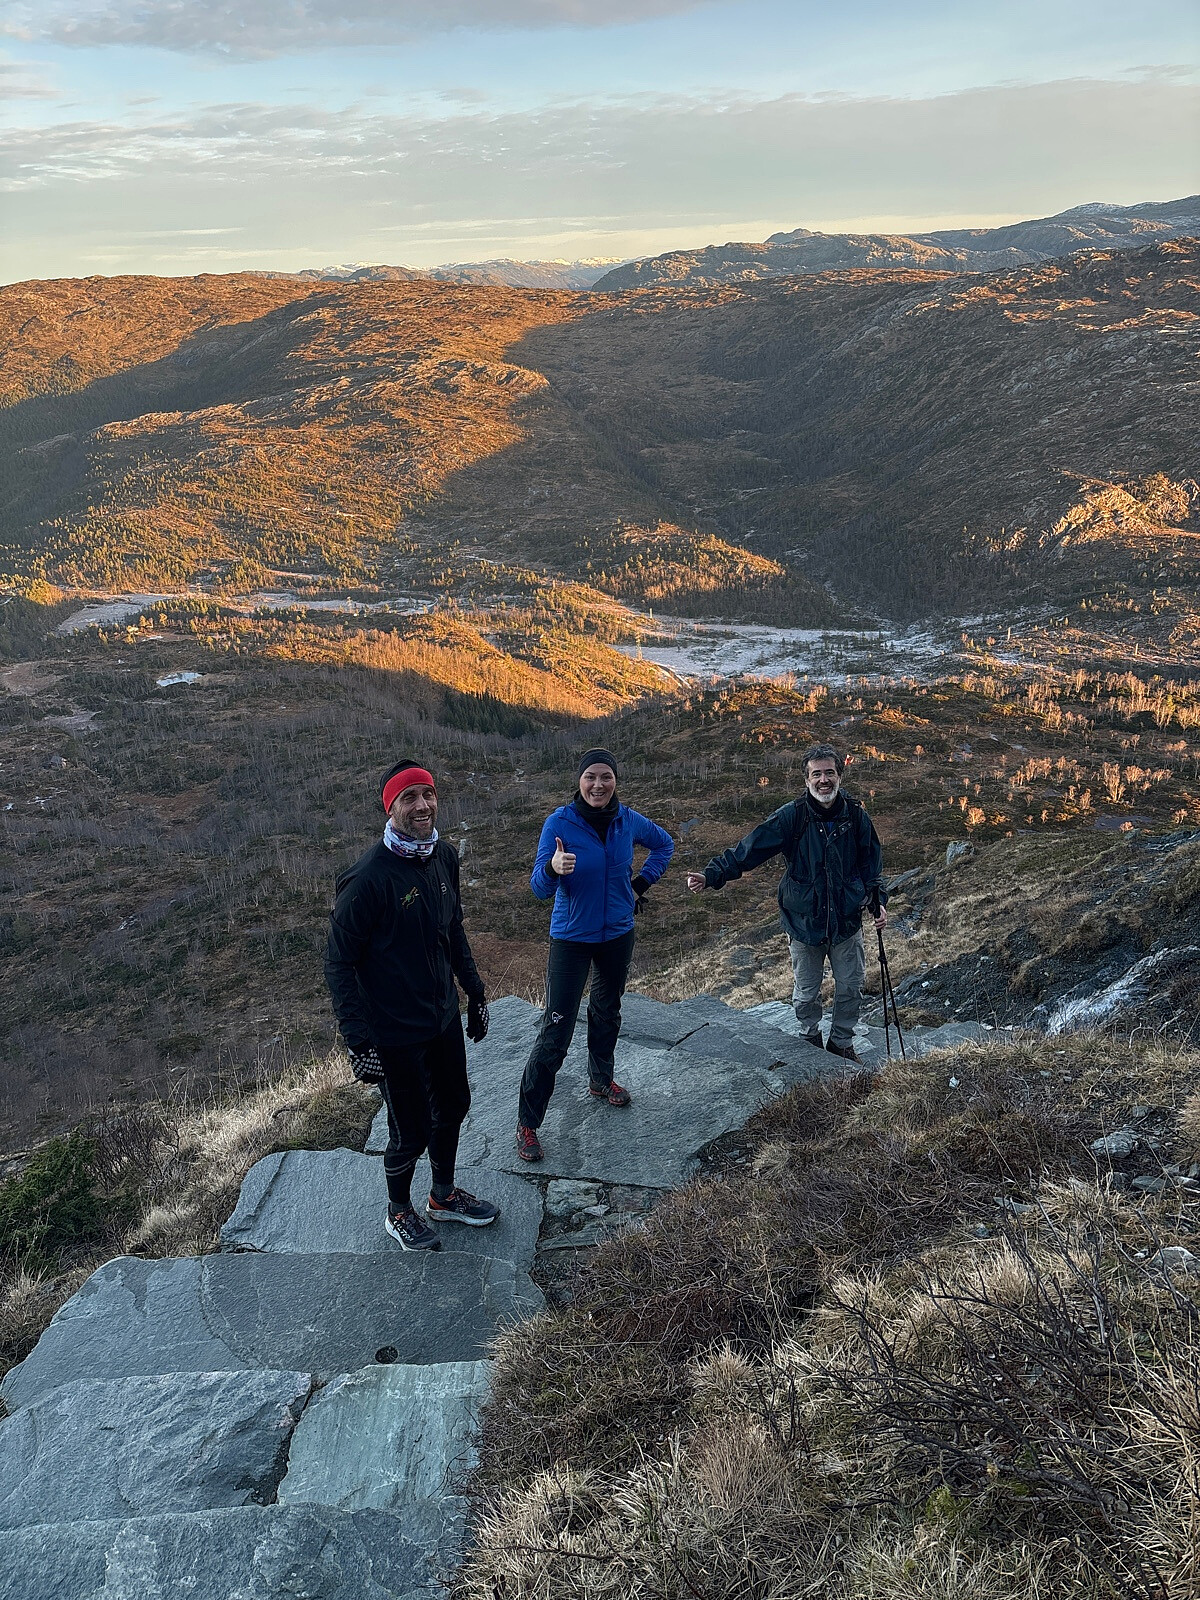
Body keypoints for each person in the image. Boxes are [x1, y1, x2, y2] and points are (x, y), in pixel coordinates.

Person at [325, 759, 497, 1250]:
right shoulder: (366, 879)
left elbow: (452, 928)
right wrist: (358, 1041)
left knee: (455, 1105)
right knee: (410, 1128)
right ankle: (398, 1211)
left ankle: (442, 1196)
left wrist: (474, 991)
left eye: (428, 794)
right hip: (393, 1030)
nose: (423, 805)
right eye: (409, 798)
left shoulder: (444, 857)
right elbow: (338, 964)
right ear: (391, 808)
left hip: (441, 1016)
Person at [515, 749, 675, 1162]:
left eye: (606, 777)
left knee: (607, 1010)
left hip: (618, 933)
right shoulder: (559, 823)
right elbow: (538, 889)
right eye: (591, 777)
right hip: (571, 938)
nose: (598, 785)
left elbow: (664, 845)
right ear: (579, 781)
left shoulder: (628, 820)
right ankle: (528, 1123)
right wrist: (552, 868)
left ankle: (601, 1081)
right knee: (556, 1029)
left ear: (615, 781)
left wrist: (639, 886)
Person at [687, 742, 886, 1064]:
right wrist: (712, 875)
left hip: (847, 921)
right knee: (806, 994)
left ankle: (841, 1043)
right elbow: (749, 850)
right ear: (806, 780)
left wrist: (878, 901)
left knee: (851, 988)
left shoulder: (856, 816)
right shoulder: (791, 816)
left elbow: (871, 865)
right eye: (816, 774)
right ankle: (810, 1038)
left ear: (840, 776)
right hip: (804, 922)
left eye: (829, 773)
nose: (824, 780)